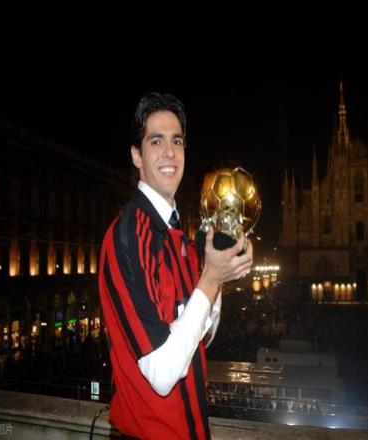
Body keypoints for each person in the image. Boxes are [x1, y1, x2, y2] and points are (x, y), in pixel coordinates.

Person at [98, 92, 253, 439]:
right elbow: (162, 374)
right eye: (156, 141)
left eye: (177, 141)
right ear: (137, 156)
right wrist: (210, 278)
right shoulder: (130, 235)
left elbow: (202, 337)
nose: (169, 152)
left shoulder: (178, 237)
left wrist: (221, 268)